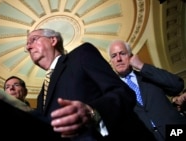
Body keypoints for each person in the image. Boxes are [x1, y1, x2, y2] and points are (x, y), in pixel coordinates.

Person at [26, 28, 156, 141]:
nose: (28, 47)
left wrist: (94, 112)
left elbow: (122, 92)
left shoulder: (81, 54)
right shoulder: (41, 96)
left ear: (53, 40)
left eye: (33, 40)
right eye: (27, 45)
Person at [107, 39, 186, 141]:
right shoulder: (114, 91)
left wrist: (141, 66)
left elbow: (177, 85)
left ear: (131, 56)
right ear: (111, 62)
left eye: (122, 53)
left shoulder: (148, 74)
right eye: (114, 56)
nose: (118, 59)